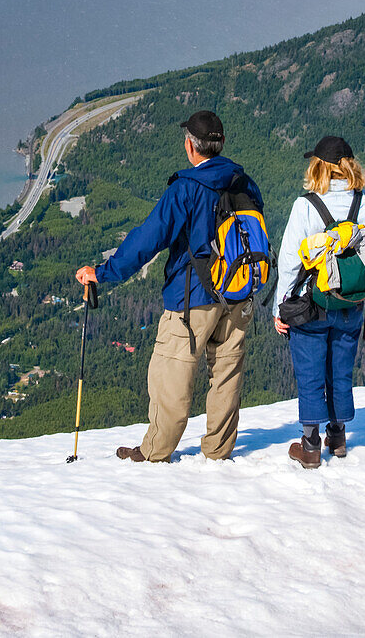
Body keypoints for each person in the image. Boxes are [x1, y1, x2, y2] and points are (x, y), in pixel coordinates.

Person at [76, 110, 264, 464]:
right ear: (220, 145)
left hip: (192, 299)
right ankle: (218, 451)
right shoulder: (244, 182)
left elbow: (148, 240)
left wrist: (104, 272)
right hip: (239, 294)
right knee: (226, 374)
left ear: (191, 147)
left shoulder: (186, 188)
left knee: (171, 374)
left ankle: (155, 452)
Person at [274, 136, 365, 468]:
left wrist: (279, 308)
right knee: (340, 369)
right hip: (352, 301)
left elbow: (289, 262)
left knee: (310, 371)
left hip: (311, 303)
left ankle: (311, 446)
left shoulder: (306, 205)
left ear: (319, 168)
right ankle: (337, 437)